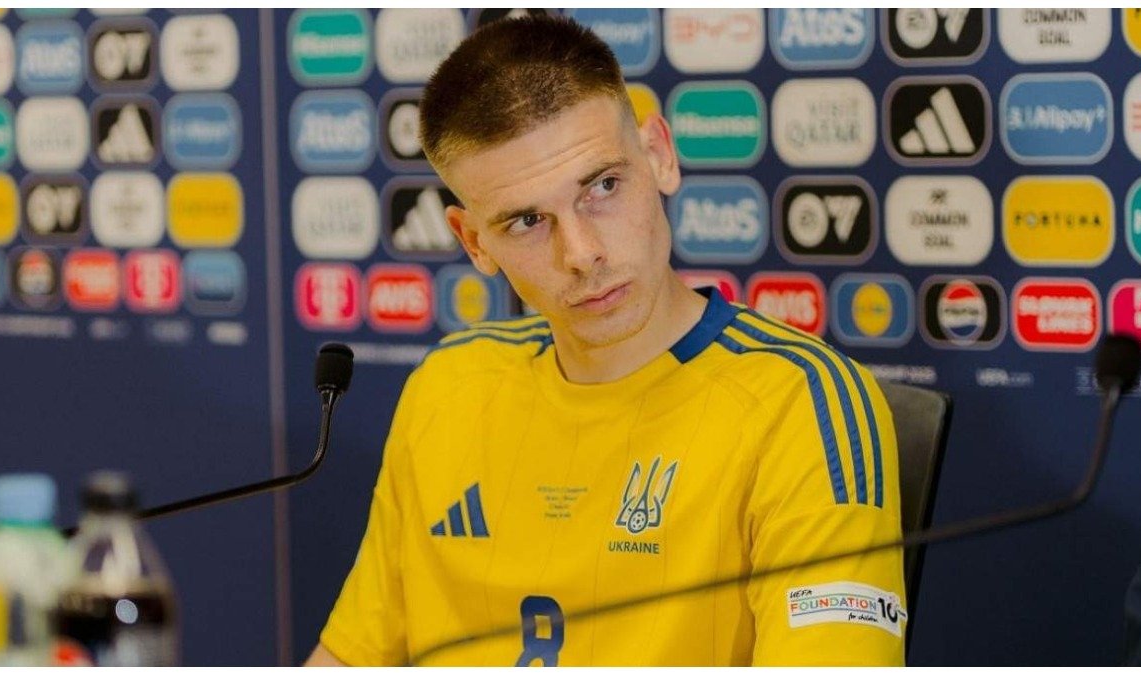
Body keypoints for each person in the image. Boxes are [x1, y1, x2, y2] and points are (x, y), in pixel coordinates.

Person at [306, 15, 906, 666]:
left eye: (603, 186)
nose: (582, 253)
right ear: (474, 242)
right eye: (527, 221)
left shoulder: (801, 406)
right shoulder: (448, 385)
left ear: (659, 156)